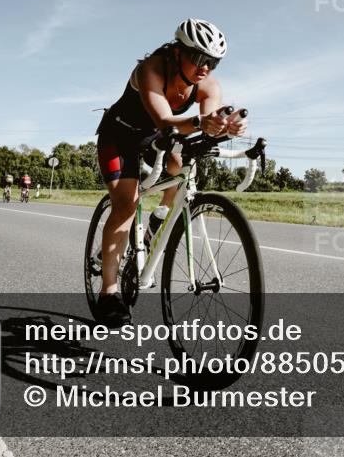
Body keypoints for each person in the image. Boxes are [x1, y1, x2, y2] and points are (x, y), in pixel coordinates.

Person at [94, 19, 247, 326]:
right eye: (199, 58)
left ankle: (160, 216)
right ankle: (108, 291)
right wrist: (202, 123)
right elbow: (164, 119)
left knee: (180, 163)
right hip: (119, 135)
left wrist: (227, 128)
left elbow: (207, 126)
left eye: (213, 62)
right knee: (126, 206)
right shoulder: (151, 69)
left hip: (155, 137)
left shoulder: (209, 85)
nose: (205, 68)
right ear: (178, 51)